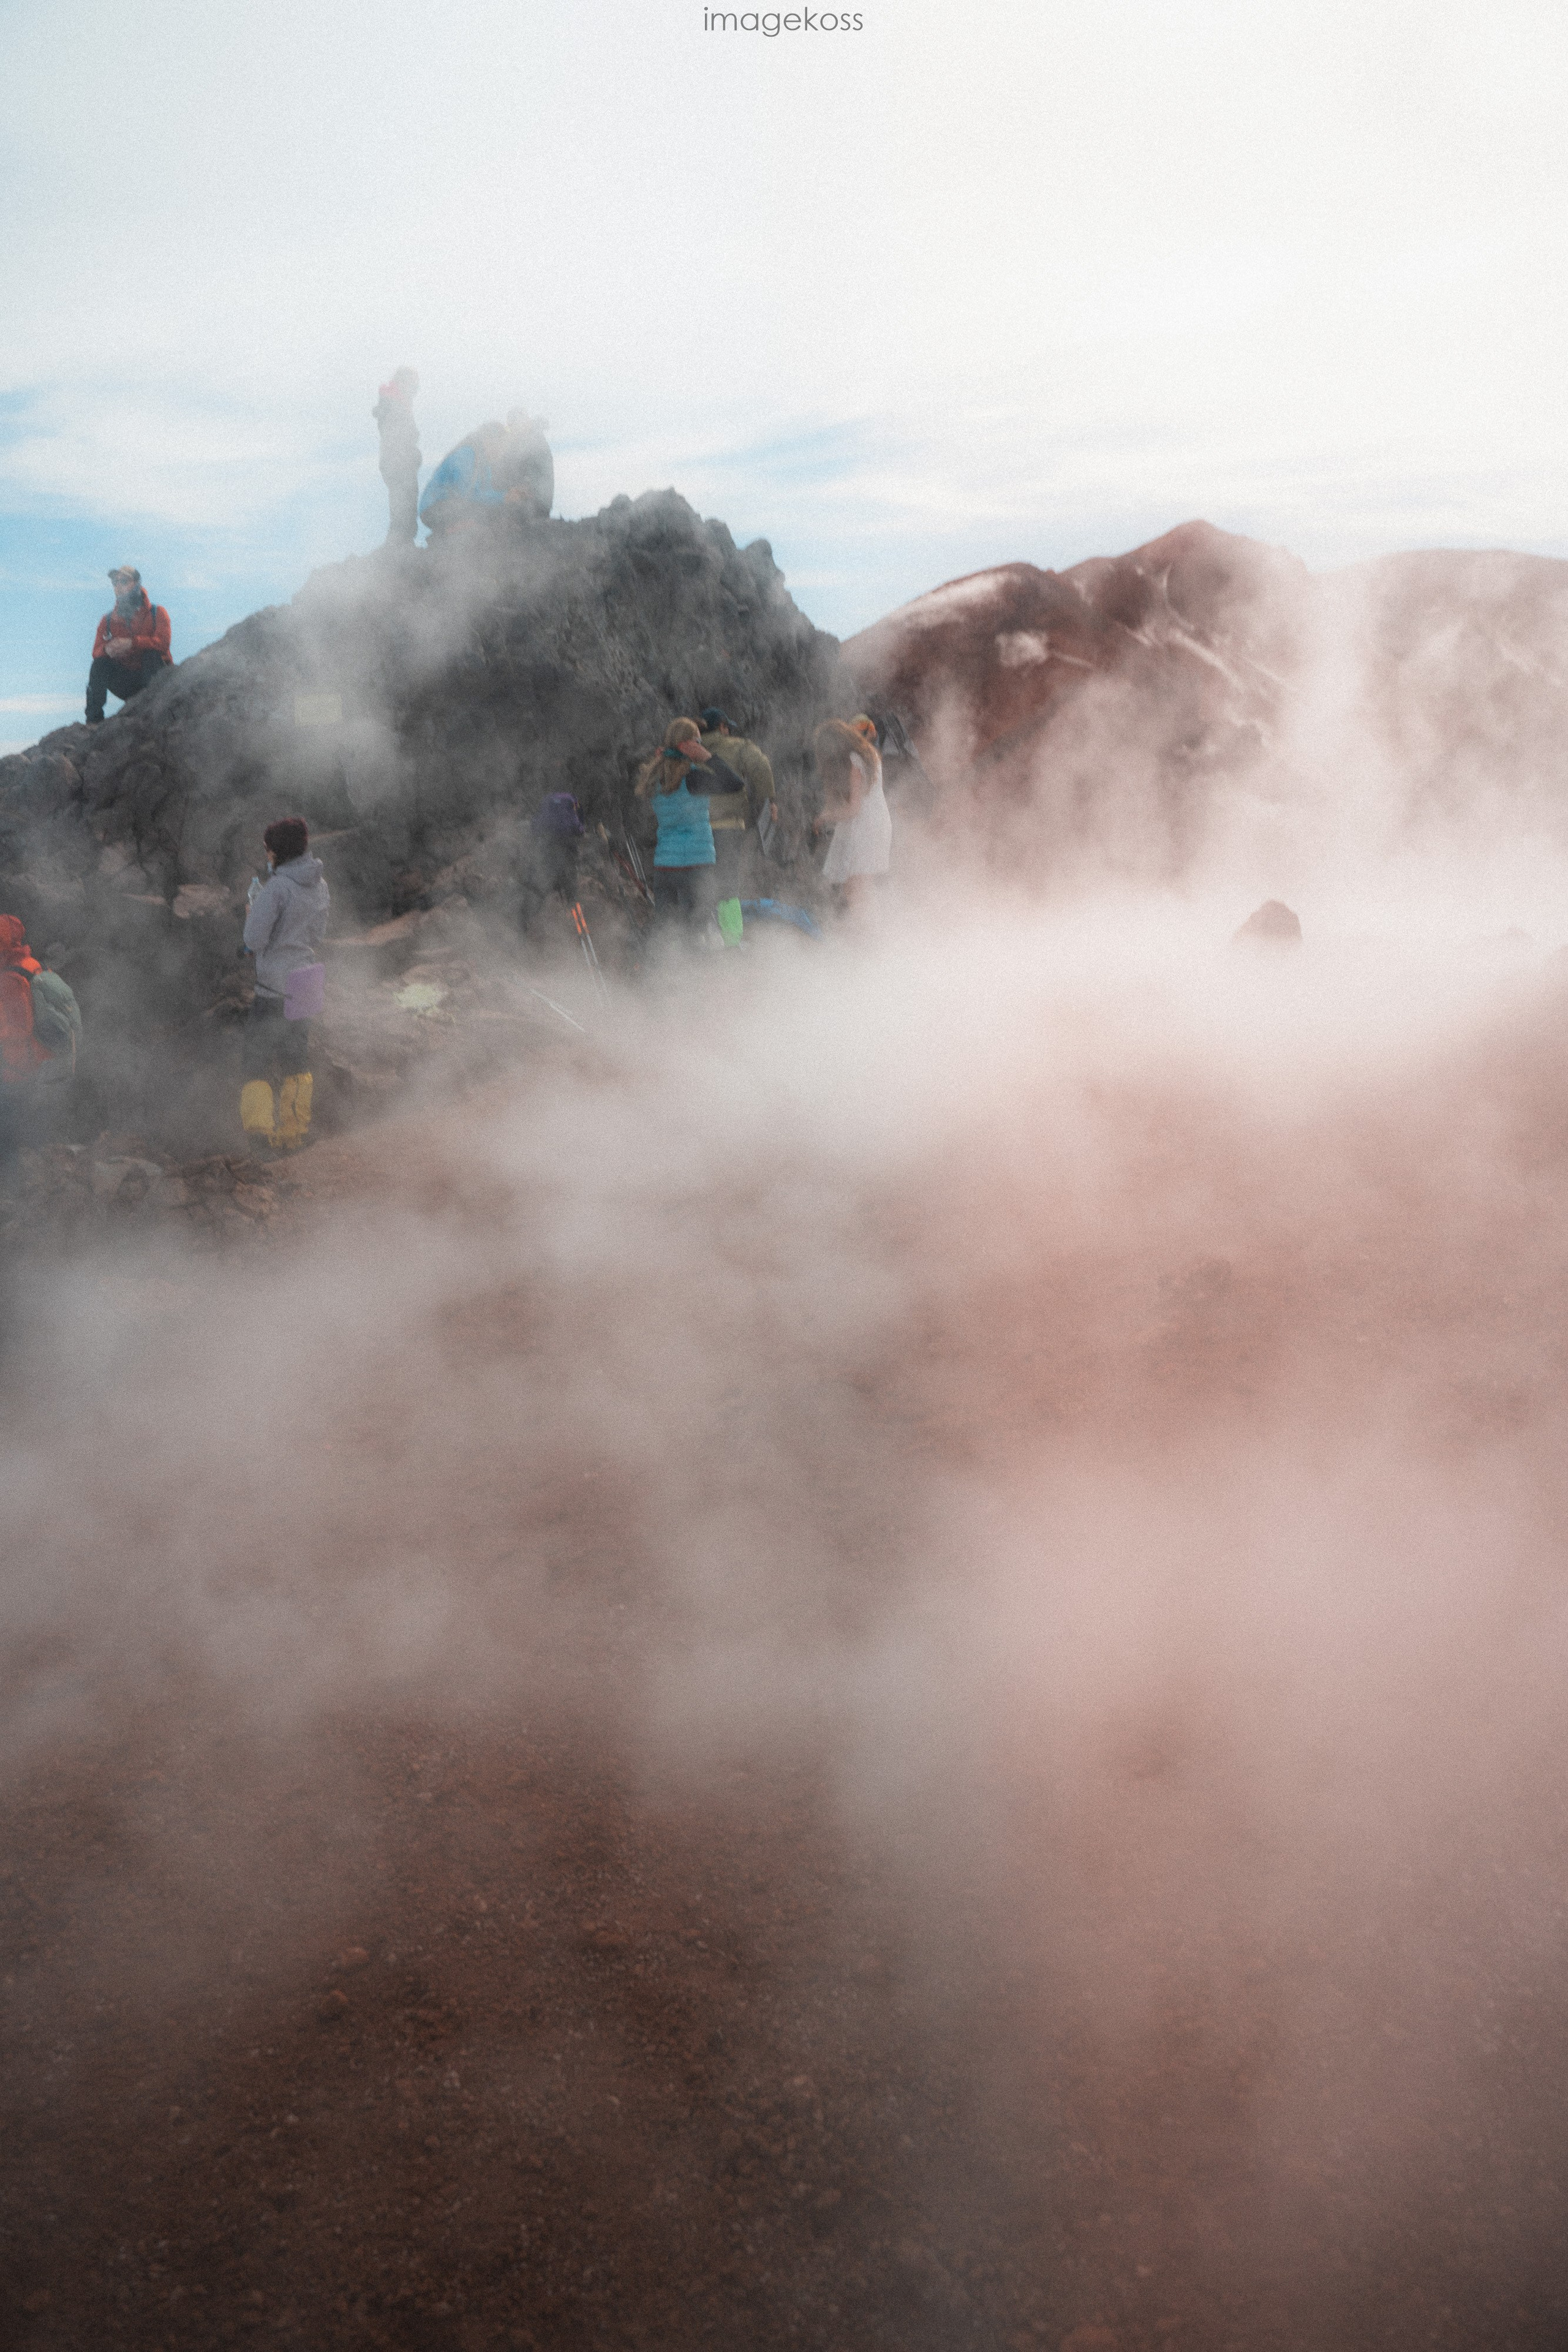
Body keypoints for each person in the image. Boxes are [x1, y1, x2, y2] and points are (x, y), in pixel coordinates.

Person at [240, 819, 330, 1153]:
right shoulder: (320, 886)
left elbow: (253, 938)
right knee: (296, 1062)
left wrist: (252, 913)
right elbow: (318, 936)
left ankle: (261, 1138)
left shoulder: (277, 889)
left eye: (268, 850)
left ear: (277, 852)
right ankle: (294, 1135)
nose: (267, 855)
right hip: (305, 983)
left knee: (257, 1064)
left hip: (274, 989)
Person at [635, 719, 745, 941]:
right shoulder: (693, 780)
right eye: (698, 741)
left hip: (665, 868)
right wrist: (707, 757)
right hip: (696, 866)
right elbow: (735, 783)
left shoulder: (656, 780)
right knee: (695, 936)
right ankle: (694, 976)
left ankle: (667, 974)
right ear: (688, 746)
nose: (702, 745)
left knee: (668, 936)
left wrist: (666, 757)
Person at [0, 918, 82, 1163]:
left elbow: (16, 1029)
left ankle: (13, 1188)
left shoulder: (9, 980)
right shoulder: (31, 964)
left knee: (9, 1135)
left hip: (17, 1069)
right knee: (29, 1128)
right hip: (42, 1060)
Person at [697, 707, 777, 946]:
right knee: (728, 883)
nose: (729, 731)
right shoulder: (737, 746)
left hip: (695, 828)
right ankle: (732, 940)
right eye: (727, 727)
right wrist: (769, 801)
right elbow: (761, 767)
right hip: (728, 825)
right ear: (722, 727)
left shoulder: (689, 749)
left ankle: (700, 940)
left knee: (699, 882)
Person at [812, 714, 892, 917]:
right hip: (878, 822)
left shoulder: (856, 761)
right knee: (862, 886)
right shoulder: (869, 754)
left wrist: (824, 818)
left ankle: (863, 938)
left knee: (857, 888)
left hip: (865, 827)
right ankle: (866, 935)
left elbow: (854, 809)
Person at [85, 565, 172, 725]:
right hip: (128, 682)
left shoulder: (157, 613)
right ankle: (93, 723)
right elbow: (96, 652)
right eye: (115, 583)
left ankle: (156, 714)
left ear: (137, 583)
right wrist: (107, 650)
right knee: (100, 664)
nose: (118, 586)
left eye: (124, 581)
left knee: (151, 655)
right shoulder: (108, 621)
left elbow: (163, 643)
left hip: (156, 680)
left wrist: (132, 643)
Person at [418, 422, 522, 540]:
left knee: (493, 510)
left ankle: (454, 532)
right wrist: (504, 497)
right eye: (501, 445)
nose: (502, 452)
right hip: (434, 509)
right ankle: (446, 536)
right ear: (488, 440)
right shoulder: (467, 454)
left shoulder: (484, 462)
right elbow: (467, 494)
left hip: (452, 505)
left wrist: (507, 496)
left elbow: (485, 493)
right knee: (479, 511)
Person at [374, 367, 422, 545]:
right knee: (404, 506)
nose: (415, 392)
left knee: (403, 506)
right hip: (400, 465)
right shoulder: (394, 406)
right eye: (414, 386)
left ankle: (400, 547)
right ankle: (399, 549)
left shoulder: (395, 404)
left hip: (397, 464)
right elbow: (400, 439)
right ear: (403, 383)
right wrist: (412, 456)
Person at [499, 410, 554, 520]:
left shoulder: (533, 441)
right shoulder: (528, 439)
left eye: (514, 426)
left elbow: (534, 474)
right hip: (536, 500)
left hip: (533, 502)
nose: (512, 430)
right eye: (510, 427)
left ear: (524, 423)